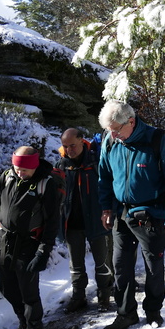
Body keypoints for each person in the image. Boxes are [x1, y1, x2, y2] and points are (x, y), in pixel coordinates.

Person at [97, 99, 165, 329]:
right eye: (109, 130)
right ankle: (125, 313)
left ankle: (153, 310)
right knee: (120, 265)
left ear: (131, 121)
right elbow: (104, 176)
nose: (113, 135)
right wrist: (106, 208)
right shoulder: (110, 141)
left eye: (116, 130)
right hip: (121, 213)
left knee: (153, 266)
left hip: (152, 214)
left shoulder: (157, 140)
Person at [0, 146, 60, 329]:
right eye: (17, 168)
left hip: (29, 243)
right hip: (4, 240)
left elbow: (52, 220)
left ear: (35, 166)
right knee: (7, 288)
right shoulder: (6, 176)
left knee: (29, 294)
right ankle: (23, 321)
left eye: (25, 170)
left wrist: (43, 251)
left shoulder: (45, 184)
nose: (20, 173)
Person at [56, 128, 114, 312]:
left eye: (72, 145)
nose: (69, 150)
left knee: (102, 262)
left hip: (97, 221)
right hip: (72, 223)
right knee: (76, 264)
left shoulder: (96, 162)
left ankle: (104, 296)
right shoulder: (61, 166)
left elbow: (109, 187)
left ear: (82, 141)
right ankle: (78, 296)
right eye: (65, 146)